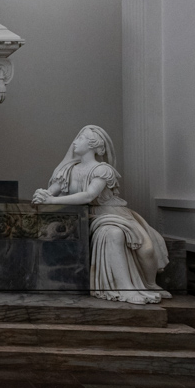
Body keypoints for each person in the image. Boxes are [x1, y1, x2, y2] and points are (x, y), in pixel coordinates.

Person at [32, 125, 171, 305]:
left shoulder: (102, 170)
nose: (75, 142)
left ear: (93, 145)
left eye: (80, 138)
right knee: (113, 234)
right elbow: (51, 192)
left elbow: (89, 195)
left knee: (147, 250)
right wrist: (43, 195)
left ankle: (150, 284)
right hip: (90, 218)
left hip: (114, 213)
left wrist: (51, 201)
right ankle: (125, 288)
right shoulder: (67, 170)